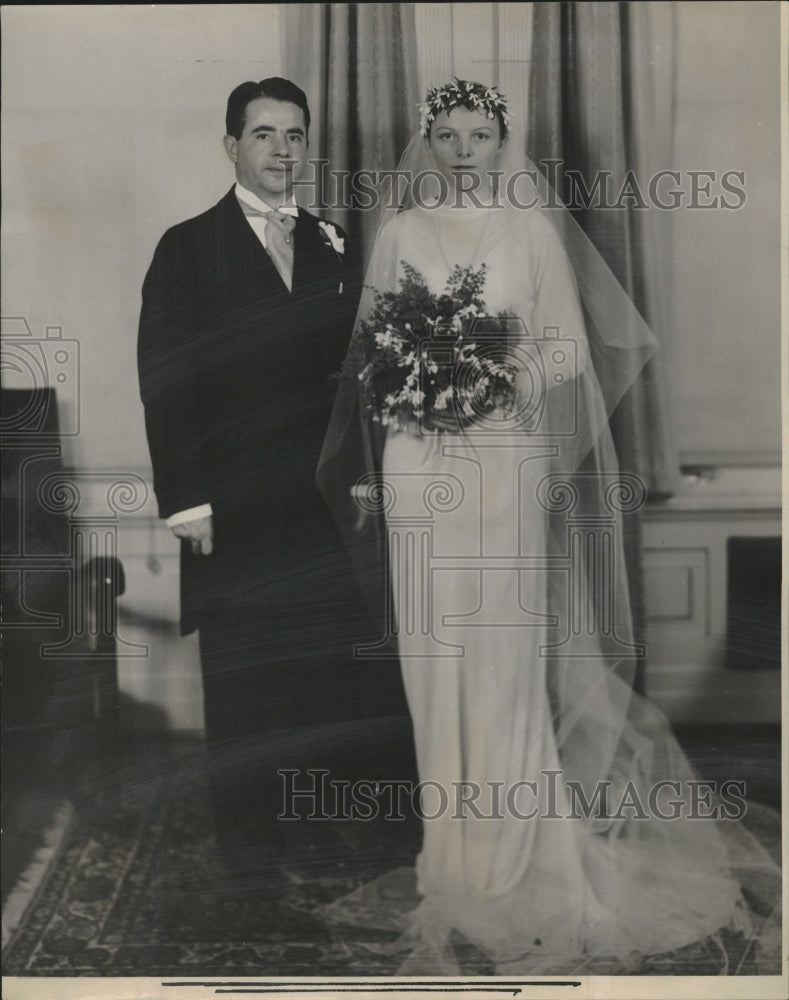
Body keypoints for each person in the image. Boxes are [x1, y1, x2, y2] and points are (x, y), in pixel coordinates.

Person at [317, 80, 780, 973]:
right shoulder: (402, 234)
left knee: (499, 663)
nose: (461, 150)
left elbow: (568, 349)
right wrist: (419, 382)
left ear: (501, 140)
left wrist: (485, 378)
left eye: (478, 134)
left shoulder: (527, 231)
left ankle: (515, 859)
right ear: (429, 142)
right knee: (433, 657)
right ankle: (448, 860)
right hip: (419, 466)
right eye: (445, 135)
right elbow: (370, 356)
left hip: (500, 468)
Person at [137, 77, 386, 889]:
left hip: (316, 500)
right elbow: (167, 379)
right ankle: (249, 852)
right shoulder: (186, 246)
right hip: (233, 506)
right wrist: (186, 500)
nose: (282, 150)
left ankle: (316, 838)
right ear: (231, 146)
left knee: (319, 677)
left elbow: (353, 380)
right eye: (264, 134)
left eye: (294, 134)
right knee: (245, 681)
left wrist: (358, 477)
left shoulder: (333, 239)